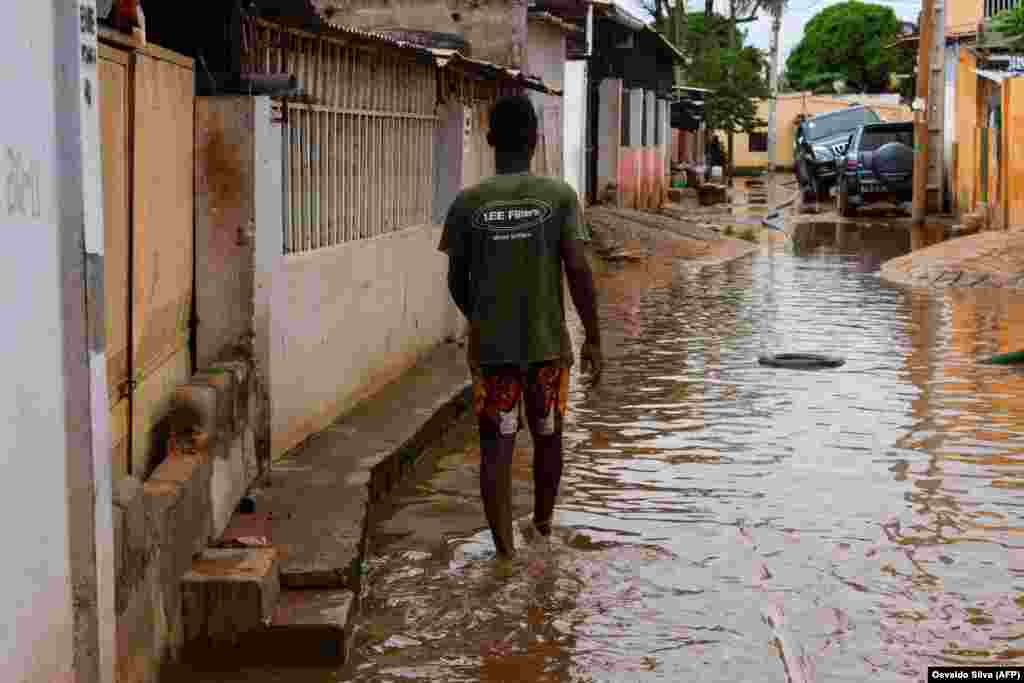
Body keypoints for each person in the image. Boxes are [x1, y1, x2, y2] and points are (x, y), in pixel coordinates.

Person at [439, 94, 603, 558]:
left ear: (490, 139)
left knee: (496, 448)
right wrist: (594, 337)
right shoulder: (560, 197)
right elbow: (578, 270)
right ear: (536, 139)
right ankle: (544, 530)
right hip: (548, 347)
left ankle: (506, 556)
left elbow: (456, 279)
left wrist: (486, 317)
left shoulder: (468, 202)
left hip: (493, 353)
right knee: (549, 437)